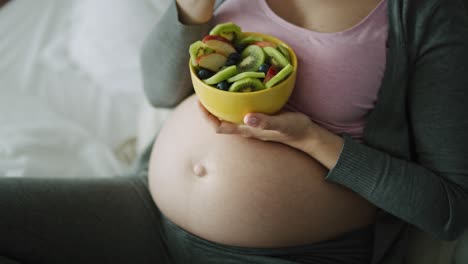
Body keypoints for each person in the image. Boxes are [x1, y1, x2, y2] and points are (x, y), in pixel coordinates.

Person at [0, 0, 467, 263]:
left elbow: (447, 211)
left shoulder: (426, 16)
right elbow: (159, 92)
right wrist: (191, 11)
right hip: (146, 208)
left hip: (284, 253)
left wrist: (310, 138)